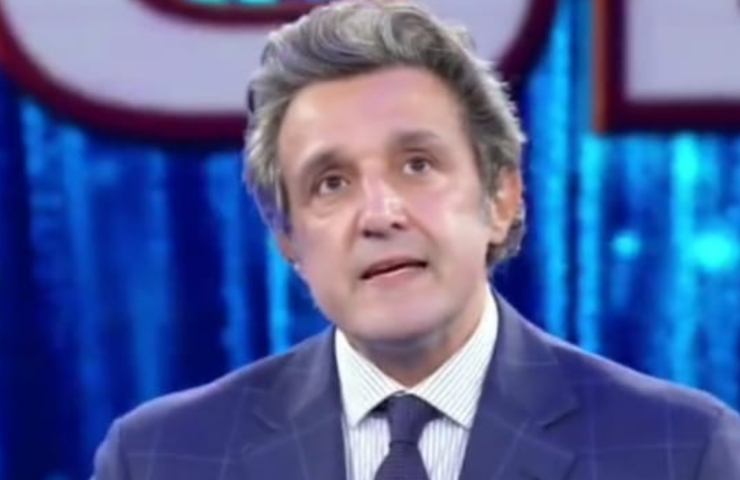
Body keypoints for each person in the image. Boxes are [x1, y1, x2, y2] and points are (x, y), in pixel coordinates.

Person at [92, 1, 740, 478]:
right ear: (287, 236)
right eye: (331, 183)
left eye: (418, 165)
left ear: (502, 197)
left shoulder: (680, 450)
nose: (380, 214)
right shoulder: (159, 459)